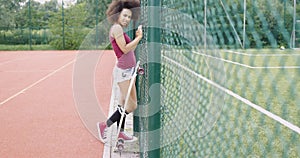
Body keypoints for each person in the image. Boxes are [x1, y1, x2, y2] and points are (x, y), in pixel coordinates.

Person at [97, 0, 142, 143]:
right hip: (123, 72)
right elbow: (125, 49)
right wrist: (139, 38)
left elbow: (130, 50)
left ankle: (120, 132)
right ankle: (104, 125)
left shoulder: (119, 29)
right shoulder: (116, 28)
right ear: (117, 14)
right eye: (124, 15)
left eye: (129, 16)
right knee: (132, 105)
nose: (127, 19)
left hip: (128, 70)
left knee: (123, 104)